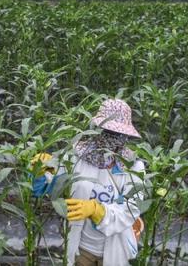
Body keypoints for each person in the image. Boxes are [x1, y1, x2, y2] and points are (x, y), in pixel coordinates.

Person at [32, 98, 146, 266]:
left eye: (117, 134)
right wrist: (42, 170)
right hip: (81, 248)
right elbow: (51, 186)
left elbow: (131, 209)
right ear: (96, 129)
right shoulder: (76, 157)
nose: (111, 138)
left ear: (126, 135)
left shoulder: (133, 166)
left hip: (116, 248)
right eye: (107, 131)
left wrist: (96, 210)